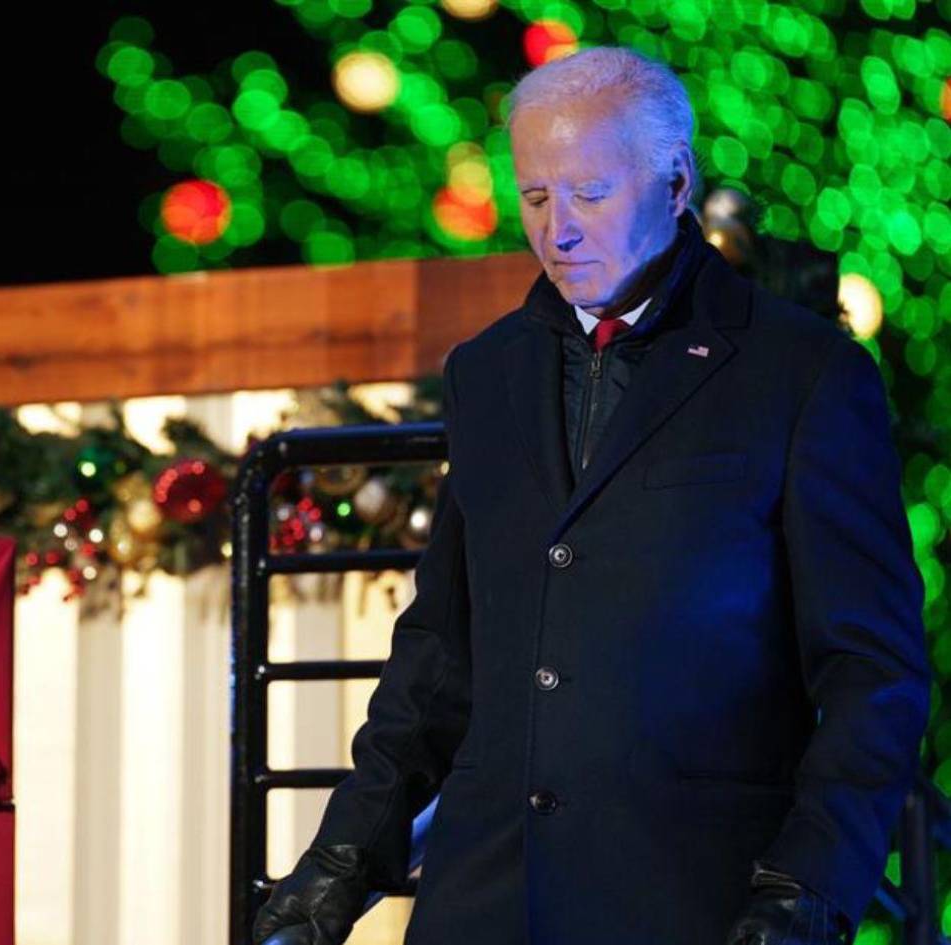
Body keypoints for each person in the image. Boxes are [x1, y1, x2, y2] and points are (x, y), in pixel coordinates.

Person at [252, 46, 931, 945]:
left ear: (676, 181)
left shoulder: (800, 372)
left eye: (590, 194)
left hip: (698, 904)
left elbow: (872, 675)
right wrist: (342, 861)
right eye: (535, 197)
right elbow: (440, 657)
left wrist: (807, 888)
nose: (557, 229)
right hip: (484, 902)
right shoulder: (488, 372)